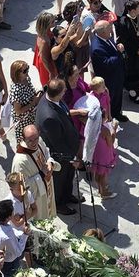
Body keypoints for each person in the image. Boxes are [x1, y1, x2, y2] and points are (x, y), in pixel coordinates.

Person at [35, 78, 82, 215]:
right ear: (58, 94)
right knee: (60, 181)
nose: (66, 92)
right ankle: (60, 204)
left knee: (69, 177)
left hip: (68, 151)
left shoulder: (53, 99)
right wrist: (73, 158)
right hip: (60, 157)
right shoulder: (49, 117)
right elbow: (58, 144)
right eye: (64, 91)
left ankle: (68, 196)